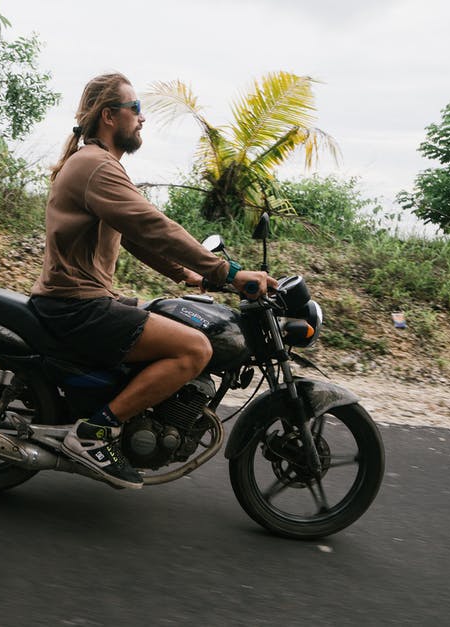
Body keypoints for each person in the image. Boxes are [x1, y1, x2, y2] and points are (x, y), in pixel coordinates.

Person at [29, 73, 277, 490]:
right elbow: (152, 225)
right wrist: (228, 273)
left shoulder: (99, 164)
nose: (142, 119)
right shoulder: (95, 165)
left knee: (165, 319)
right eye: (136, 109)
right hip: (76, 305)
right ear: (110, 116)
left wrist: (188, 276)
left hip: (85, 301)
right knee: (194, 348)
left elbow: (132, 236)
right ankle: (95, 434)